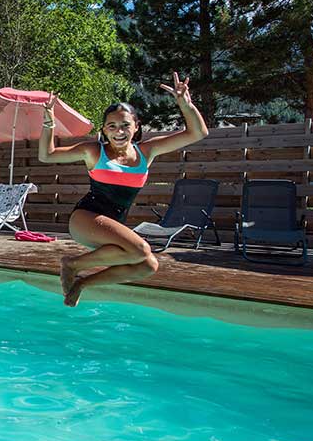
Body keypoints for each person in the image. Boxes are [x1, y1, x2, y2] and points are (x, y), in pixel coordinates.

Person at [38, 72, 208, 306]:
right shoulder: (94, 151)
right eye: (112, 126)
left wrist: (185, 105)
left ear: (136, 127)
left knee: (148, 265)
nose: (119, 131)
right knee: (140, 249)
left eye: (125, 125)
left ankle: (82, 283)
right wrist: (49, 123)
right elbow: (47, 155)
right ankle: (72, 264)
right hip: (87, 219)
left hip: (113, 224)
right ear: (104, 130)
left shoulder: (146, 152)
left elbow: (198, 133)